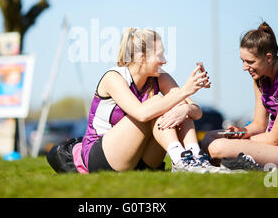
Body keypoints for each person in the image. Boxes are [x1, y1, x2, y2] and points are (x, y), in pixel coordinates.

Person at [81, 27, 217, 173]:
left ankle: (194, 156)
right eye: (160, 55)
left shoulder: (160, 77)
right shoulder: (113, 78)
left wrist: (185, 108)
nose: (164, 61)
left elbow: (197, 113)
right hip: (101, 155)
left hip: (140, 156)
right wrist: (184, 91)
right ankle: (180, 160)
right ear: (141, 57)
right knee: (160, 101)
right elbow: (141, 114)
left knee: (178, 105)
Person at [201, 22, 278, 170]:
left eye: (250, 62)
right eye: (243, 61)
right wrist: (241, 132)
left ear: (269, 58)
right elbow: (259, 125)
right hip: (273, 144)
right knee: (209, 137)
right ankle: (235, 164)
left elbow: (275, 138)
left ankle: (236, 164)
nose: (244, 67)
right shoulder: (259, 77)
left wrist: (241, 141)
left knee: (218, 147)